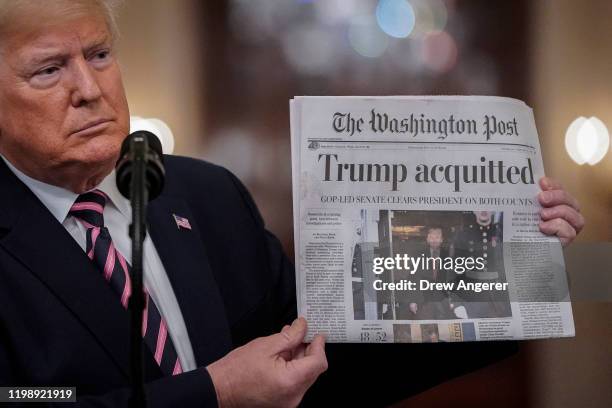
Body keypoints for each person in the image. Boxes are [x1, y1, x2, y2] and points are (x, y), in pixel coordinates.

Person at [0, 1, 585, 407]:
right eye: (50, 69)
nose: (90, 88)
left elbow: (327, 355)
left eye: (99, 55)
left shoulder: (205, 196)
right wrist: (216, 395)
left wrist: (509, 274)